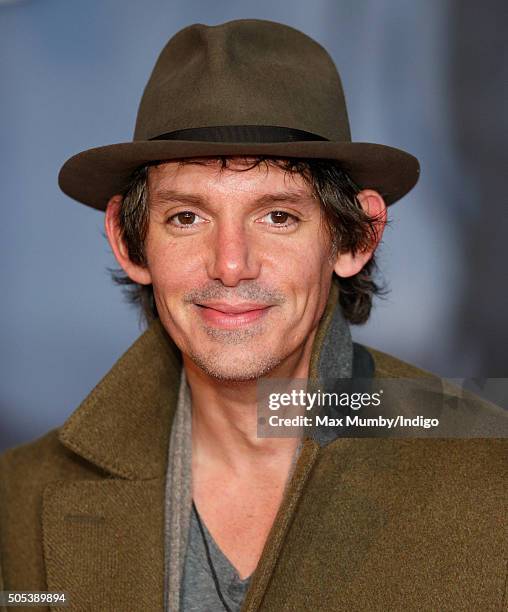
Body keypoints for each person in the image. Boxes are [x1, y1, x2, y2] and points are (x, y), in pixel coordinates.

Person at [0, 19, 506, 612]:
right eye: (187, 217)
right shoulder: (18, 498)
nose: (231, 266)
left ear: (356, 237)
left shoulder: (491, 469)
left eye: (278, 217)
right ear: (129, 241)